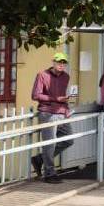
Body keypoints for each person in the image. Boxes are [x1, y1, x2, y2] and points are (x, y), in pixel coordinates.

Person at [30, 52, 74, 183]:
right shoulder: (42, 75)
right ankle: (49, 174)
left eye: (64, 62)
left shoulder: (66, 77)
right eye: (59, 62)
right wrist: (56, 99)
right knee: (50, 143)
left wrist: (66, 108)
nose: (61, 64)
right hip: (48, 112)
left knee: (69, 140)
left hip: (61, 111)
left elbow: (62, 96)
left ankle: (39, 159)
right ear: (53, 62)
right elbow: (35, 95)